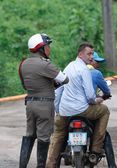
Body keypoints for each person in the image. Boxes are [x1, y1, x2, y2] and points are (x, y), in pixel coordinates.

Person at [46, 43, 110, 168]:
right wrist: (98, 100)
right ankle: (96, 150)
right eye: (89, 54)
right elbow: (90, 97)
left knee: (59, 134)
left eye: (92, 54)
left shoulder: (68, 67)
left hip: (65, 111)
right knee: (105, 111)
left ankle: (51, 164)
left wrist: (58, 109)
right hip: (83, 110)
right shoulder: (84, 69)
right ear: (80, 54)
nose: (91, 57)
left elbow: (58, 90)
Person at [19, 33, 69, 168]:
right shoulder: (45, 65)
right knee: (43, 137)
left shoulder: (23, 64)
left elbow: (25, 85)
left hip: (30, 103)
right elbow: (65, 79)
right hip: (44, 105)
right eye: (48, 45)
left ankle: (22, 165)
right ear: (41, 47)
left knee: (29, 134)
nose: (49, 49)